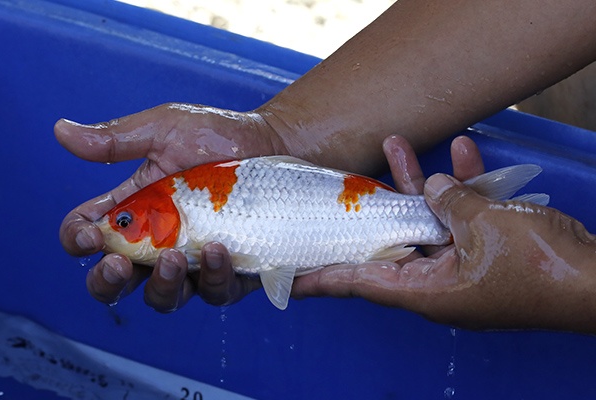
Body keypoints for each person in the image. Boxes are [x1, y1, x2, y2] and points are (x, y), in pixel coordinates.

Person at [56, 0, 596, 333]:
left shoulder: (186, 206)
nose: (113, 228)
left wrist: (570, 286)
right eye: (120, 225)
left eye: (124, 221)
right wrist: (283, 135)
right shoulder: (185, 203)